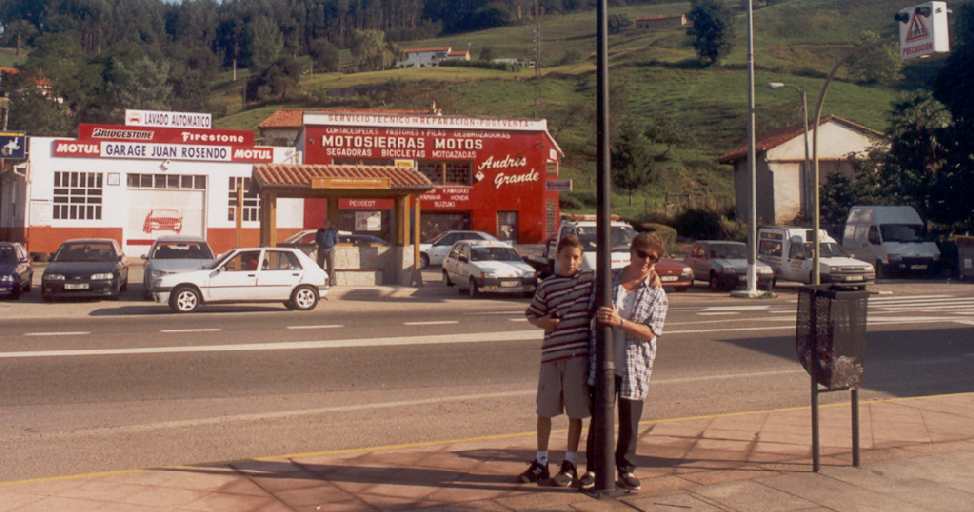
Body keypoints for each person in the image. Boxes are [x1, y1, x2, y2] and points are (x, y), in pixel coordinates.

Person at [579, 232, 669, 492]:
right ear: (632, 252)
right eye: (642, 254)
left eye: (653, 258)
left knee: (630, 421)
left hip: (635, 365)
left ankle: (625, 469)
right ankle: (594, 469)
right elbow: (589, 309)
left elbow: (652, 331)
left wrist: (621, 322)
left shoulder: (656, 293)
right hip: (603, 360)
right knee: (600, 418)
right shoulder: (609, 279)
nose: (646, 261)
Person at [520, 235, 594, 488]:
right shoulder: (547, 286)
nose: (571, 262)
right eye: (566, 257)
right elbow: (532, 313)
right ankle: (541, 461)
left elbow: (617, 277)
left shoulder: (588, 281)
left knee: (576, 411)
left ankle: (569, 461)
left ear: (581, 259)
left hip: (577, 358)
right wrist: (543, 323)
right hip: (551, 356)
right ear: (557, 257)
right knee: (544, 410)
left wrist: (653, 276)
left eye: (575, 257)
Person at [315, 220, 338, 286]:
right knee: (320, 266)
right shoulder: (320, 231)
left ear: (329, 225)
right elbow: (317, 240)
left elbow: (336, 241)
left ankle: (331, 282)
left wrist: (330, 245)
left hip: (330, 250)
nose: (325, 225)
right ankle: (320, 281)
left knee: (331, 266)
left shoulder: (332, 231)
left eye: (327, 224)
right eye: (324, 224)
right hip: (321, 250)